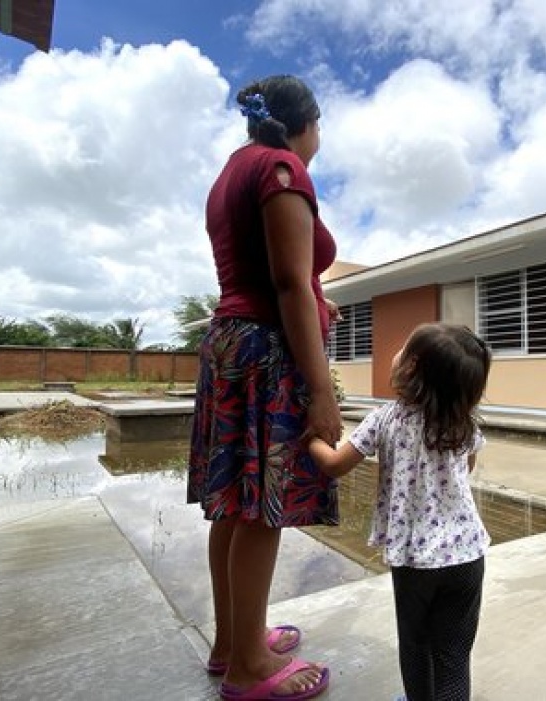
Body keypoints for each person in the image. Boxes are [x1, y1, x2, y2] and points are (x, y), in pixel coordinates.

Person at [188, 75, 341, 701]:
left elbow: (271, 274)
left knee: (235, 502)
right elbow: (287, 284)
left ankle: (234, 642)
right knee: (261, 508)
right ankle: (250, 668)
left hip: (230, 343)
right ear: (303, 124)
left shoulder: (232, 170)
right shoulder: (282, 169)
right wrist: (321, 390)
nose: (321, 138)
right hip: (264, 351)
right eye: (321, 124)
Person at [308, 323, 492, 701]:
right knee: (454, 656)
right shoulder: (464, 423)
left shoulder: (385, 419)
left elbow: (335, 465)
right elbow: (466, 468)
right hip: (467, 556)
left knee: (416, 644)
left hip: (415, 560)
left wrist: (311, 439)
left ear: (411, 368)